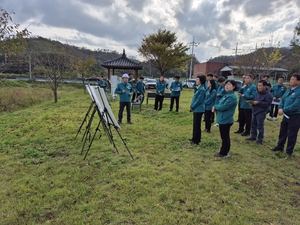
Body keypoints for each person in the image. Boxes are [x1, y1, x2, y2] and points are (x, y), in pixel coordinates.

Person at [270, 73, 300, 157]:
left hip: (295, 116)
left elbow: (296, 105)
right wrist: (280, 107)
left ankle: (289, 151)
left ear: (299, 81)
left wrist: (284, 110)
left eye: (293, 79)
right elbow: (283, 99)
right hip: (285, 115)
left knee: (292, 134)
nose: (291, 81)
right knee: (283, 131)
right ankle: (280, 146)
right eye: (290, 79)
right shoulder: (289, 89)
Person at [212, 80, 238, 158]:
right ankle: (223, 151)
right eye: (226, 85)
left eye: (229, 85)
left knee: (225, 137)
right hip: (222, 118)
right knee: (224, 137)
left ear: (233, 87)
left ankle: (224, 153)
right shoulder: (226, 95)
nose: (226, 86)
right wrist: (216, 106)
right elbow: (220, 104)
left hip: (226, 119)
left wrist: (215, 107)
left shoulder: (232, 97)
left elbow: (223, 107)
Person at [245, 80, 273, 144]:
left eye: (260, 86)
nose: (259, 87)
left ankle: (260, 139)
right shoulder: (257, 93)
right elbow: (255, 99)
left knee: (260, 126)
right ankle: (253, 136)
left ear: (265, 86)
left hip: (261, 111)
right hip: (255, 110)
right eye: (258, 86)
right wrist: (252, 103)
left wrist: (258, 103)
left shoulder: (269, 95)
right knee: (253, 124)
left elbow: (267, 104)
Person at [189, 75, 207, 145]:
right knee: (195, 125)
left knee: (197, 125)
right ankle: (194, 138)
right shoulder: (198, 88)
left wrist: (192, 106)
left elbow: (199, 100)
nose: (196, 81)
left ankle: (196, 140)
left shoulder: (202, 89)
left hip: (199, 109)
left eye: (197, 80)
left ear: (201, 81)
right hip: (196, 109)